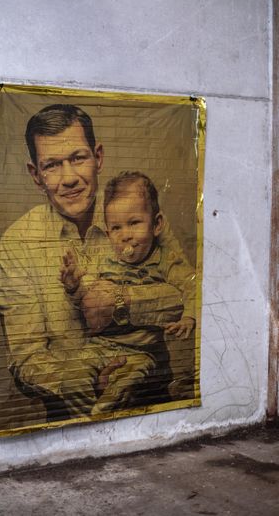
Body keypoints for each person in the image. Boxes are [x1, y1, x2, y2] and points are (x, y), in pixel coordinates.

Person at [0, 104, 187, 421]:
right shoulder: (17, 243)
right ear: (36, 175)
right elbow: (25, 357)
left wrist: (121, 300)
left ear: (97, 157)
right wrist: (82, 374)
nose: (69, 178)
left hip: (151, 405)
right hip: (66, 418)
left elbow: (183, 297)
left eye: (78, 158)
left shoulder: (137, 212)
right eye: (52, 165)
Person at [60, 171, 196, 411]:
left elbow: (191, 287)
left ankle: (103, 416)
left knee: (122, 389)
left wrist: (189, 316)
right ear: (108, 232)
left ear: (156, 224)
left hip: (143, 353)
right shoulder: (104, 259)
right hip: (101, 345)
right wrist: (74, 287)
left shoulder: (166, 260)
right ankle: (84, 423)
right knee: (71, 381)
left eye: (134, 223)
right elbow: (91, 302)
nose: (126, 236)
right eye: (116, 228)